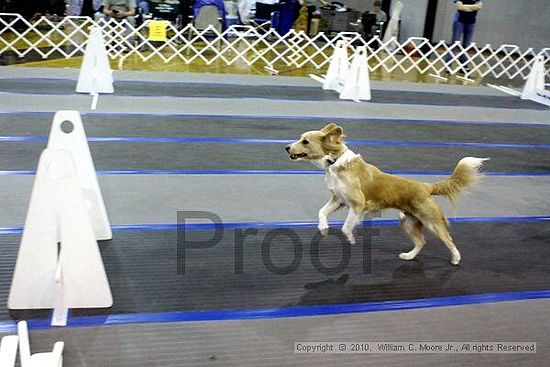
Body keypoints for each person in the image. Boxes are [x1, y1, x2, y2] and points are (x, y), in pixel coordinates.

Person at [444, 0, 483, 70]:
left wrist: (465, 6)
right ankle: (448, 64)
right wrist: (473, 7)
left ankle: (463, 65)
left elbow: (479, 7)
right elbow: (459, 7)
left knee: (466, 45)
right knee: (455, 44)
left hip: (471, 22)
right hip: (459, 21)